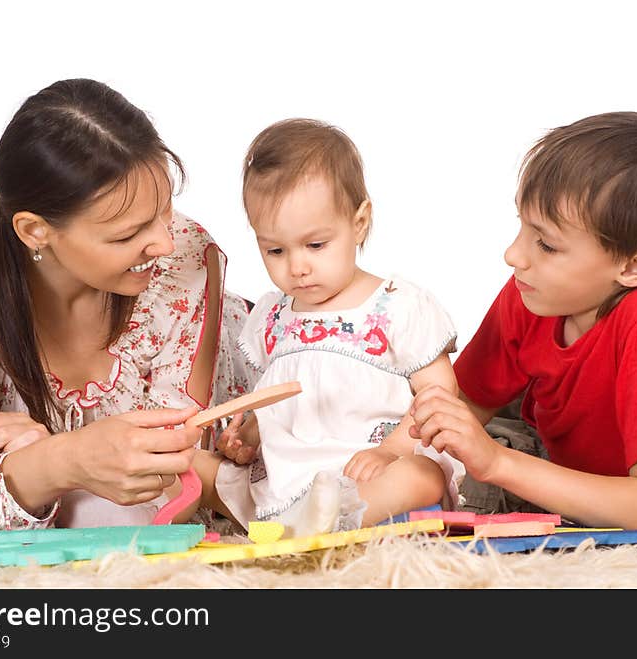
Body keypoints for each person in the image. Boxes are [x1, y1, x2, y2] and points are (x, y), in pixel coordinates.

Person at [0, 78, 257, 535]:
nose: (163, 242)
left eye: (165, 210)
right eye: (126, 234)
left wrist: (37, 462)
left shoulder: (185, 256)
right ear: (34, 231)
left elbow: (176, 485)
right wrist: (62, 462)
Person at [409, 111, 637, 530]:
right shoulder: (534, 291)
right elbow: (466, 400)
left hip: (615, 479)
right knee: (407, 423)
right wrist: (389, 455)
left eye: (547, 244)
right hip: (537, 420)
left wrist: (497, 461)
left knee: (474, 482)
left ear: (632, 268)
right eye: (522, 226)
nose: (513, 255)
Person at [180, 118, 464, 537]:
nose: (297, 267)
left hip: (369, 470)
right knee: (191, 465)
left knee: (421, 475)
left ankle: (335, 519)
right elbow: (275, 402)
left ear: (359, 222)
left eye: (316, 245)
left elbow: (440, 396)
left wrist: (389, 452)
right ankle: (295, 521)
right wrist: (250, 436)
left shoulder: (396, 304)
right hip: (285, 475)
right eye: (275, 249)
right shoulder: (273, 317)